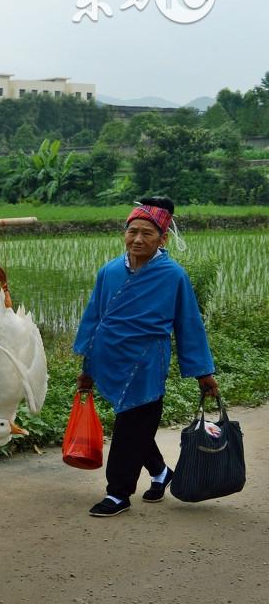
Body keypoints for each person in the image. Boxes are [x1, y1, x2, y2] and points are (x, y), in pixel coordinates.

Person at [73, 196, 218, 517]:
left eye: (147, 233)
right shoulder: (109, 271)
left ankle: (118, 493)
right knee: (134, 424)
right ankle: (161, 472)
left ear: (162, 239)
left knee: (131, 425)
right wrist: (88, 367)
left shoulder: (173, 276)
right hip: (110, 359)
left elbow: (189, 325)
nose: (137, 239)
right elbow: (93, 318)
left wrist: (203, 372)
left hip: (147, 362)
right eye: (132, 231)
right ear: (124, 234)